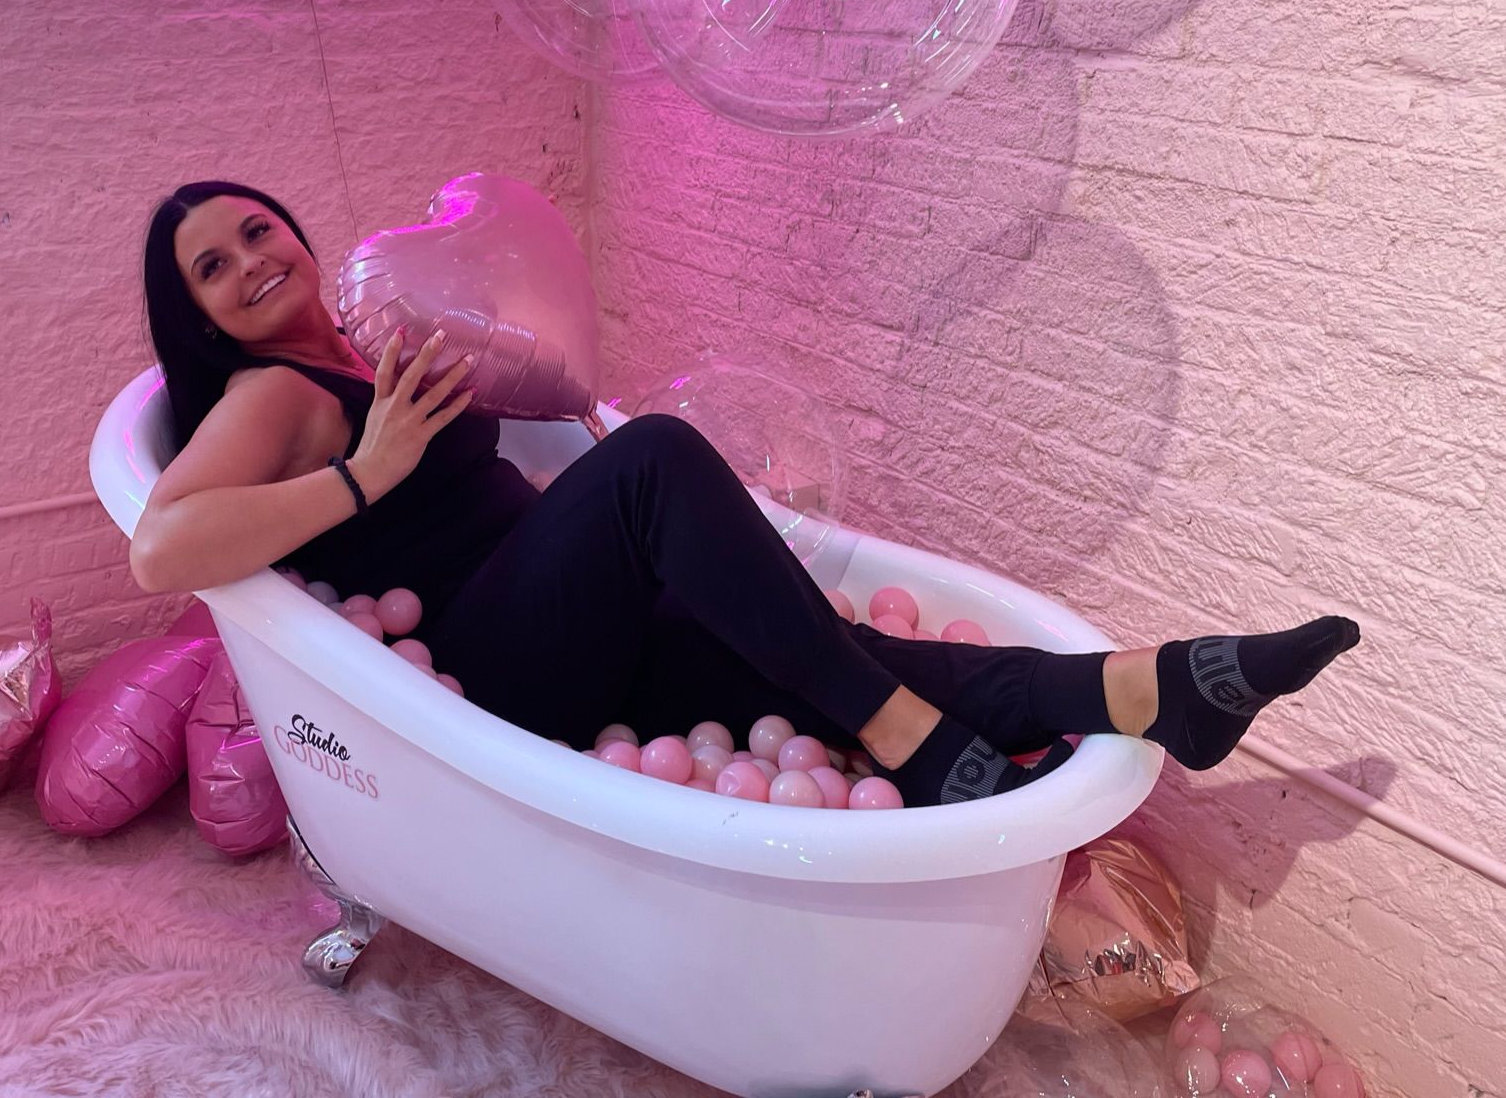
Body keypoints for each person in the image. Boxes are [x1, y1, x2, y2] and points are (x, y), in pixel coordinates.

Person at [129, 181, 1358, 807]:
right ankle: (915, 749)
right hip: (490, 669)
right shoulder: (271, 397)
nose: (250, 261)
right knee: (659, 458)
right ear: (195, 313)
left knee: (819, 652)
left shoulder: (361, 336)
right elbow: (161, 545)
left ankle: (1156, 690)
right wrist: (365, 474)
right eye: (212, 266)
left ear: (293, 225)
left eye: (254, 230)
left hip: (576, 634)